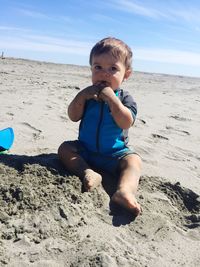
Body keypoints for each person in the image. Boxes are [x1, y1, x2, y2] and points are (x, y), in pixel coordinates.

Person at [58, 37, 142, 216]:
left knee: (134, 161)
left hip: (115, 154)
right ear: (91, 70)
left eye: (113, 69)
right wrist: (81, 97)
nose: (104, 73)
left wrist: (113, 99)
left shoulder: (126, 99)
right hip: (85, 150)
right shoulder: (88, 96)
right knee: (65, 148)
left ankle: (124, 191)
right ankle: (88, 172)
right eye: (98, 67)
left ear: (126, 74)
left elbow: (126, 122)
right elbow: (73, 116)